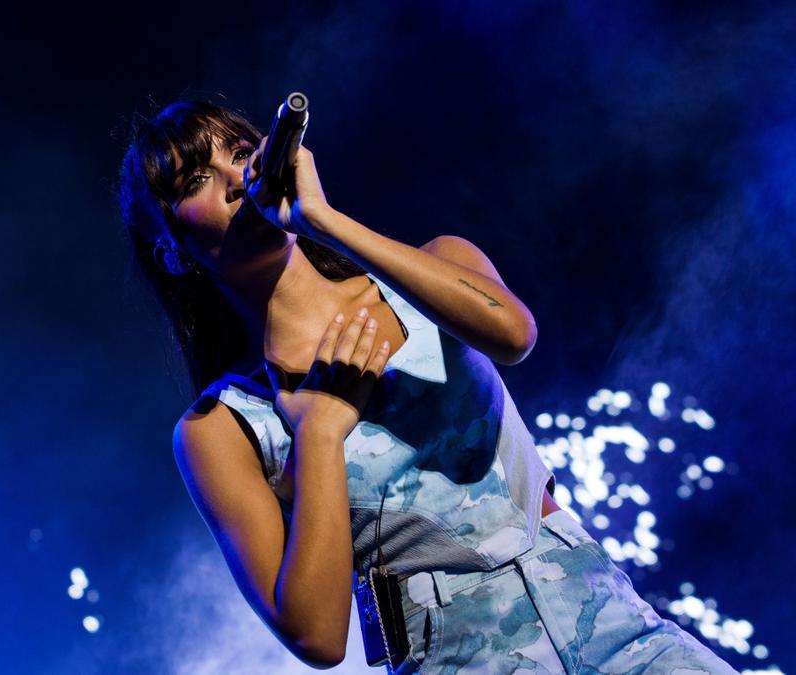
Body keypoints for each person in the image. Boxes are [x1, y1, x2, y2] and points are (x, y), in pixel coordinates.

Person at [115, 96, 737, 674]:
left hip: (615, 624)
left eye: (241, 152)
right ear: (172, 252)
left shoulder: (435, 264)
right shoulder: (220, 428)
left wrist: (324, 221)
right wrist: (321, 431)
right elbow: (317, 637)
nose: (233, 178)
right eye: (196, 179)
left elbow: (513, 334)